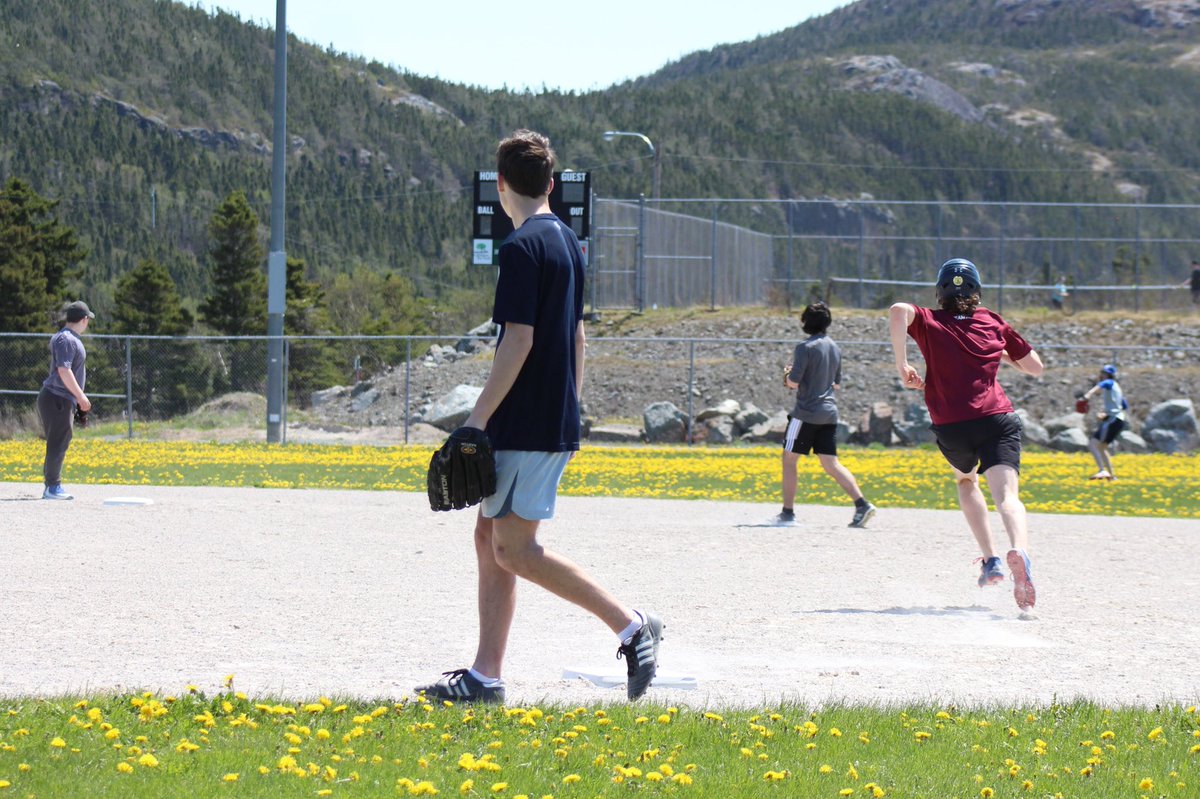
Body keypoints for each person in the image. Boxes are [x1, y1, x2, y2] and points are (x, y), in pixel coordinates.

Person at [415, 130, 662, 704]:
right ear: (550, 184)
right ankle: (485, 676)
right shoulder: (568, 243)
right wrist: (569, 406)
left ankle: (631, 626)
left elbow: (518, 341)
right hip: (545, 415)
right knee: (488, 537)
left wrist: (475, 421)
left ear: (500, 184)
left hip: (524, 419)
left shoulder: (522, 246)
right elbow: (576, 335)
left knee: (515, 549)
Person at [889, 259, 1045, 612]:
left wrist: (903, 365)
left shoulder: (929, 320)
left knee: (965, 481)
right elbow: (1036, 368)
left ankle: (991, 560)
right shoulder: (992, 321)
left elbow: (898, 310)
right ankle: (1019, 550)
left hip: (952, 424)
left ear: (940, 292)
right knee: (1008, 498)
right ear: (976, 292)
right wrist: (1000, 352)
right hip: (996, 418)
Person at [775, 301, 876, 528]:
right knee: (831, 464)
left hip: (806, 413)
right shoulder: (834, 347)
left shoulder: (805, 347)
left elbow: (793, 383)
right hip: (829, 413)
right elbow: (836, 385)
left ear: (806, 323)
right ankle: (862, 504)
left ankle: (787, 513)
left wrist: (786, 375)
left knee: (789, 459)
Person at [38, 300, 95, 500]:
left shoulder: (66, 338)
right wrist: (80, 396)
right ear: (84, 319)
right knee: (58, 441)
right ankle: (52, 487)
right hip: (58, 397)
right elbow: (64, 370)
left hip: (59, 398)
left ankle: (51, 485)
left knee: (59, 440)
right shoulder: (67, 339)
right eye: (88, 318)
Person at [1082, 364, 1127, 481]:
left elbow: (1103, 384)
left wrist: (1088, 395)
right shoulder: (1117, 388)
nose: (1101, 375)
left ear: (1108, 375)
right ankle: (1112, 476)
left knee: (1093, 444)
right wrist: (1106, 414)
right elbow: (1124, 405)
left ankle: (1102, 470)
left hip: (1113, 420)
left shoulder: (1110, 383)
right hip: (1117, 420)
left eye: (1103, 373)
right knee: (1102, 447)